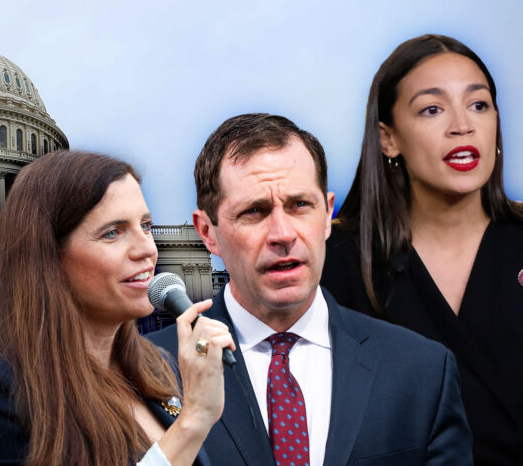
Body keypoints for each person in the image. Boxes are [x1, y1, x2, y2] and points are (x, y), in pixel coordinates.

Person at [149, 114, 472, 465]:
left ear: (328, 213)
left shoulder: (422, 372)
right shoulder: (144, 372)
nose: (283, 234)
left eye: (300, 205)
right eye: (254, 211)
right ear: (207, 232)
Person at [0, 150, 235, 466]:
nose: (147, 249)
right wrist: (192, 423)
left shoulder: (158, 368)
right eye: (113, 232)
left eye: (145, 225)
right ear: (49, 258)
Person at [321, 34, 523, 465]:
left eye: (479, 104)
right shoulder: (337, 261)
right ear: (387, 139)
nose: (462, 126)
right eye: (432, 109)